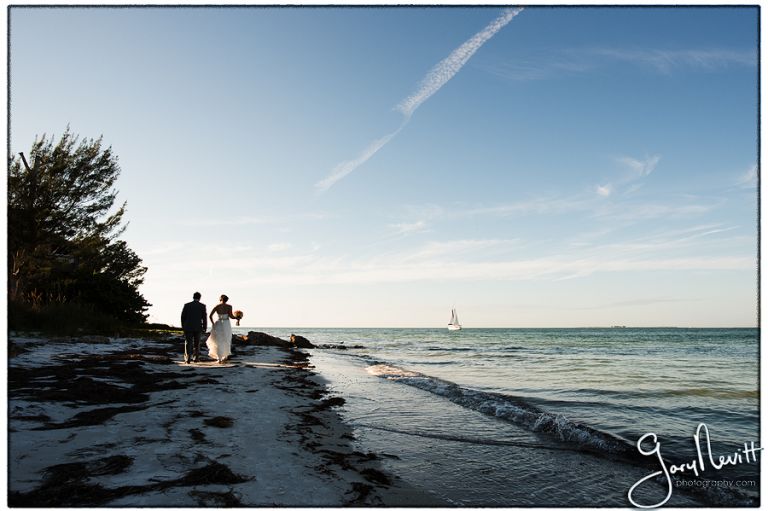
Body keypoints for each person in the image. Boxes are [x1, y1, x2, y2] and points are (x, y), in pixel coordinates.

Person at [180, 292, 207, 364]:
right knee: (197, 343)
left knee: (188, 343)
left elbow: (183, 317)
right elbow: (204, 318)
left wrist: (183, 326)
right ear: (200, 297)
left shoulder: (187, 305)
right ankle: (196, 358)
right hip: (198, 327)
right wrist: (205, 327)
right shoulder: (202, 306)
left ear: (193, 297)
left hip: (188, 326)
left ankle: (187, 358)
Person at [207, 294, 234, 364]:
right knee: (227, 339)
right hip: (226, 324)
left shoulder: (217, 306)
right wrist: (237, 317)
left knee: (218, 340)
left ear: (221, 299)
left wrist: (213, 323)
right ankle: (224, 356)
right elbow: (231, 316)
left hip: (218, 323)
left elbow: (210, 316)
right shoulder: (229, 306)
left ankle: (219, 358)